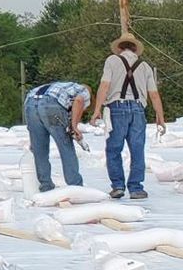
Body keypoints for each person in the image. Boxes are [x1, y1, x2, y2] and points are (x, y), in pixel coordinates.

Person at [91, 33, 165, 200]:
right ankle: (136, 188)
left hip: (117, 108)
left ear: (119, 48)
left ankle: (118, 186)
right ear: (135, 49)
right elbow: (154, 94)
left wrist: (96, 110)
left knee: (114, 149)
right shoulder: (145, 66)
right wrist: (160, 117)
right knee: (137, 150)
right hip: (138, 110)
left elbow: (104, 85)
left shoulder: (112, 61)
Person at [22, 79, 90, 191]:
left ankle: (45, 185)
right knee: (65, 146)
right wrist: (74, 126)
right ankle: (75, 185)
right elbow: (79, 101)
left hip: (30, 104)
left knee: (39, 150)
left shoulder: (57, 86)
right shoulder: (83, 90)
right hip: (51, 105)